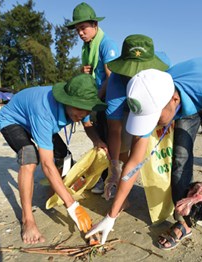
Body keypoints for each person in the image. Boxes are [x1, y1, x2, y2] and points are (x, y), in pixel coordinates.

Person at [86, 58, 202, 250]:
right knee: (180, 157)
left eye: (155, 118)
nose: (153, 124)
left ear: (174, 101)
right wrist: (111, 216)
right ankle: (185, 219)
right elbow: (134, 163)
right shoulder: (151, 93)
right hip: (184, 102)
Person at [0, 74, 107, 244]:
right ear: (66, 101)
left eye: (87, 109)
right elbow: (47, 165)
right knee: (30, 157)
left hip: (38, 121)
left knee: (65, 157)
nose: (83, 113)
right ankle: (28, 220)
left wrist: (98, 141)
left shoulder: (82, 104)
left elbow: (87, 125)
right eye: (80, 109)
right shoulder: (44, 110)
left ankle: (56, 193)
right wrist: (73, 207)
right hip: (13, 120)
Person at [103, 34, 170, 200]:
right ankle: (123, 190)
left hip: (154, 104)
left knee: (158, 150)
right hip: (127, 108)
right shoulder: (116, 83)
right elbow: (114, 130)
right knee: (124, 147)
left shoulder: (164, 69)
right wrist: (114, 166)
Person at [66, 2, 119, 194]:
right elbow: (93, 75)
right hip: (96, 101)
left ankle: (112, 181)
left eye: (83, 28)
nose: (80, 33)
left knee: (110, 142)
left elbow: (111, 77)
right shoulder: (87, 48)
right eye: (77, 29)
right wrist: (84, 71)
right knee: (99, 141)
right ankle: (104, 178)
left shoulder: (107, 45)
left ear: (95, 25)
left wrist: (94, 100)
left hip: (108, 102)